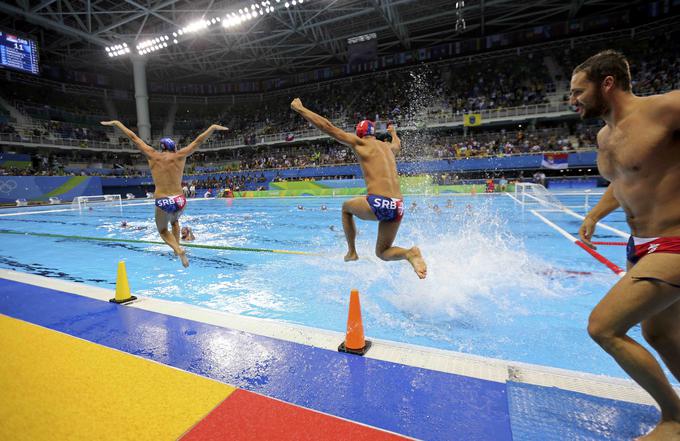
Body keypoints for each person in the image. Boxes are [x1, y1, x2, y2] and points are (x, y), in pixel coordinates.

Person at [572, 50, 680, 440]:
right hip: (641, 245)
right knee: (661, 335)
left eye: (578, 91)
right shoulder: (605, 136)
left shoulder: (665, 109)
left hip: (675, 244)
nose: (573, 100)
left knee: (604, 327)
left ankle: (674, 418)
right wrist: (594, 215)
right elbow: (622, 184)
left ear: (608, 83)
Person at [291, 98, 426, 279]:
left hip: (378, 202)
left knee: (346, 208)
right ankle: (409, 253)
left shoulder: (360, 144)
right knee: (383, 252)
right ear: (373, 133)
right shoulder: (388, 147)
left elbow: (328, 127)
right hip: (398, 206)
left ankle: (352, 251)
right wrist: (393, 133)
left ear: (359, 133)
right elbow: (398, 145)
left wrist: (301, 109)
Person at [101, 120, 228, 267]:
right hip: (180, 200)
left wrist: (117, 123)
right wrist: (212, 127)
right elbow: (198, 141)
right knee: (175, 221)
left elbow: (134, 138)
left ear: (162, 147)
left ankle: (178, 249)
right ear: (173, 147)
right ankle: (178, 248)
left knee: (162, 230)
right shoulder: (180, 155)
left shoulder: (153, 155)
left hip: (163, 200)